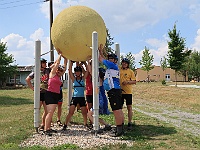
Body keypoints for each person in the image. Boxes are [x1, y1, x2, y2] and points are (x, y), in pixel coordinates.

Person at [98, 44, 124, 137]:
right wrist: (101, 51)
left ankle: (119, 131)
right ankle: (120, 128)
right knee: (119, 110)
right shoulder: (112, 66)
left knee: (116, 111)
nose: (109, 59)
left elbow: (100, 59)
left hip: (113, 91)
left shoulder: (112, 65)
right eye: (109, 58)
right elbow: (104, 59)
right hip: (115, 91)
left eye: (111, 58)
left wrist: (98, 51)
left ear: (115, 60)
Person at [62, 59, 90, 131]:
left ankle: (85, 124)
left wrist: (85, 63)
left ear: (80, 72)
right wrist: (71, 63)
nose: (77, 73)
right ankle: (65, 124)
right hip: (75, 97)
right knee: (71, 112)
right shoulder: (74, 79)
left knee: (84, 112)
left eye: (79, 71)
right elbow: (69, 71)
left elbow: (87, 71)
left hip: (81, 98)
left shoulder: (83, 79)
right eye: (76, 71)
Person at [44, 54, 67, 136]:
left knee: (51, 112)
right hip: (50, 94)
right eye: (58, 70)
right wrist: (60, 55)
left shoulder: (59, 76)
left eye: (60, 71)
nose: (59, 71)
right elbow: (57, 64)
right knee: (50, 112)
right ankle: (46, 129)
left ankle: (48, 128)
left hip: (56, 95)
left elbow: (64, 67)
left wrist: (65, 59)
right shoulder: (52, 74)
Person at [26, 58, 50, 131]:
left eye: (45, 63)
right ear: (40, 64)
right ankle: (36, 123)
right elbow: (27, 79)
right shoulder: (35, 72)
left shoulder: (47, 70)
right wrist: (33, 88)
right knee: (37, 109)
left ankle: (43, 124)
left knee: (47, 110)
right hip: (39, 93)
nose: (45, 64)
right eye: (43, 63)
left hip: (46, 92)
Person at [120, 58, 136, 130]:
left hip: (128, 92)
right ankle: (121, 122)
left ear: (128, 64)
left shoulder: (130, 71)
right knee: (119, 108)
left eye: (125, 63)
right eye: (123, 63)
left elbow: (134, 81)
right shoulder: (118, 70)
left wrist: (127, 82)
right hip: (120, 92)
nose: (124, 64)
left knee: (129, 107)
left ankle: (129, 122)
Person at [48, 61, 64, 127]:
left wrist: (65, 58)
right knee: (51, 108)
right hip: (52, 92)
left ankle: (58, 119)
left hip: (59, 92)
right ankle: (50, 121)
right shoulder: (51, 73)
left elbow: (64, 68)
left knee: (59, 106)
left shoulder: (59, 73)